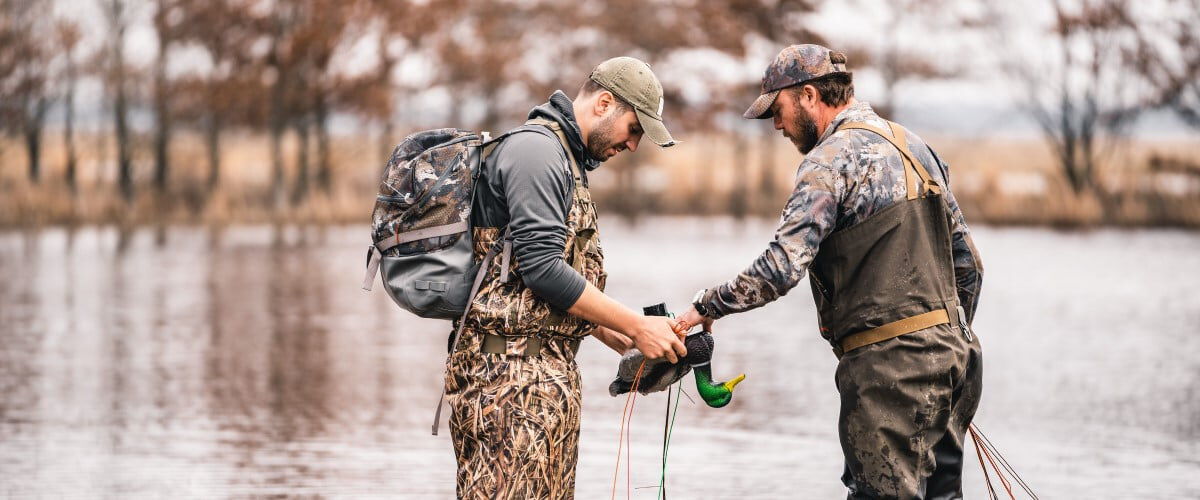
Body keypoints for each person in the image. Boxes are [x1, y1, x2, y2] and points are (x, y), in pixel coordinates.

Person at [676, 44, 985, 499]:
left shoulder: (828, 161)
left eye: (776, 111)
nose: (776, 125)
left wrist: (706, 306)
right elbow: (970, 268)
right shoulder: (915, 147)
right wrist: (941, 345)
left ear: (807, 95)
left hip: (890, 377)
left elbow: (781, 267)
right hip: (958, 363)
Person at [444, 56, 687, 499]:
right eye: (634, 129)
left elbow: (519, 273)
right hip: (508, 385)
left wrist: (603, 328)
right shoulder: (536, 152)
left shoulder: (565, 158)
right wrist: (635, 324)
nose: (633, 146)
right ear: (605, 103)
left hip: (542, 380)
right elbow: (541, 268)